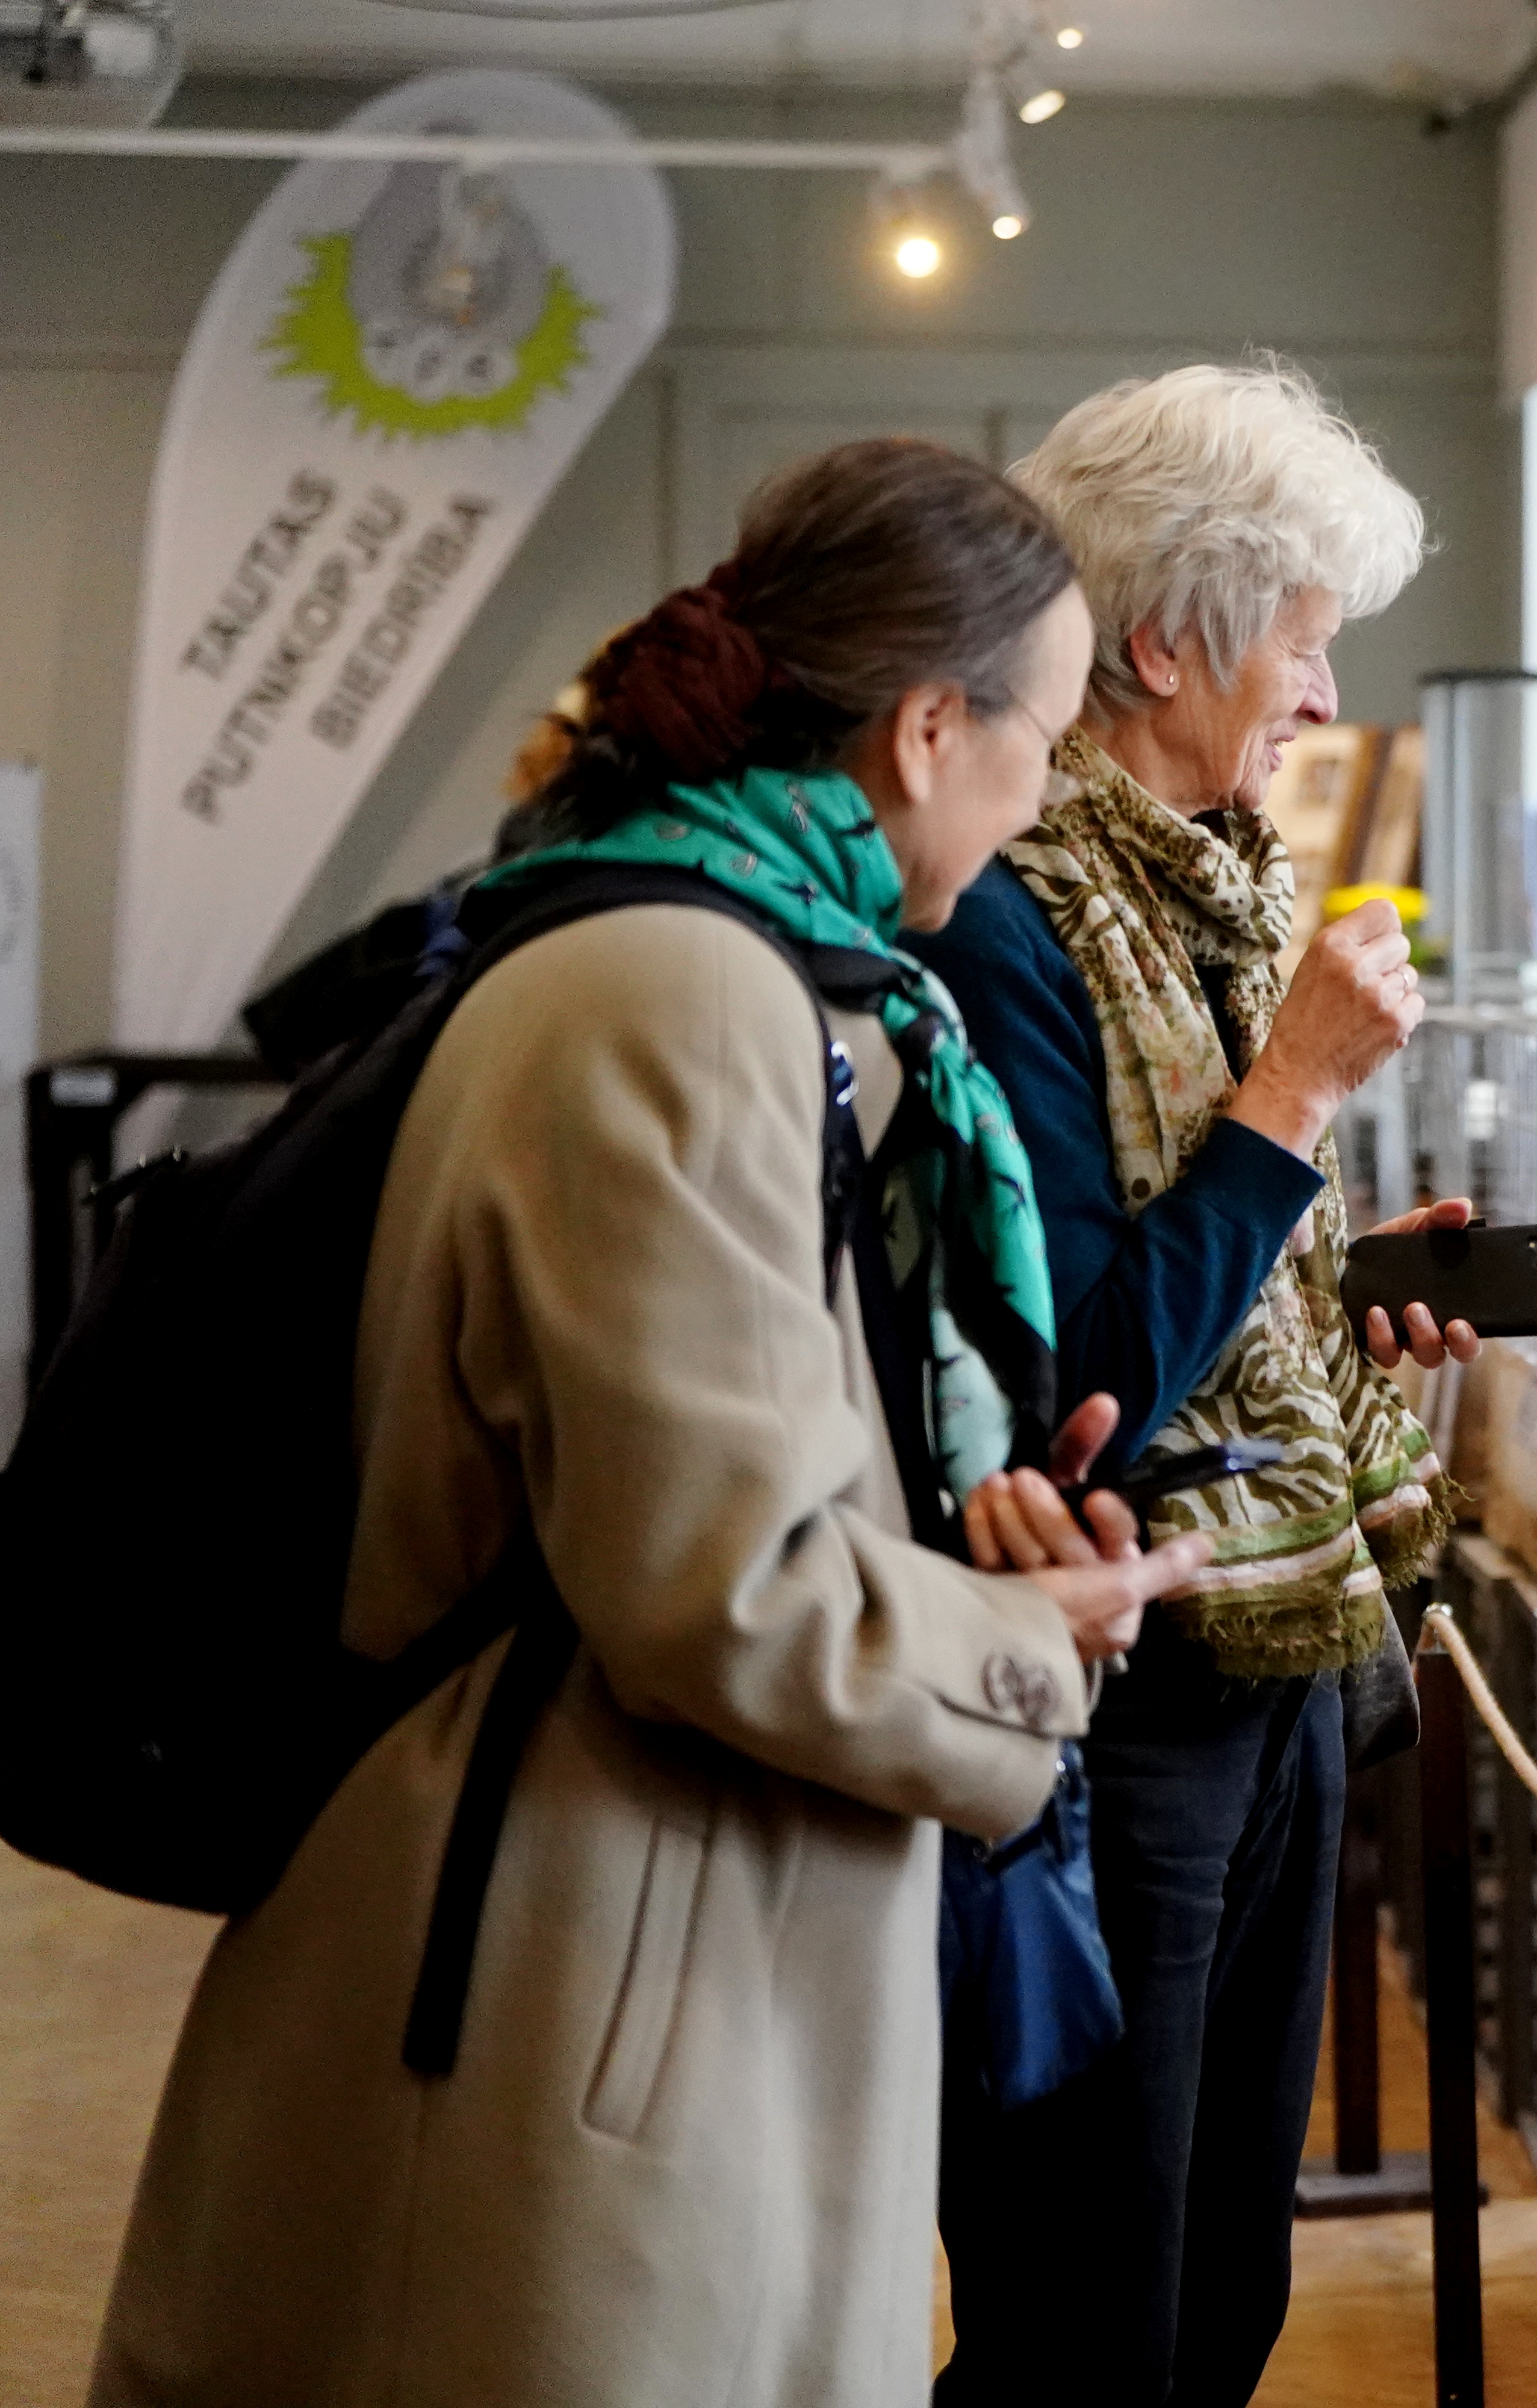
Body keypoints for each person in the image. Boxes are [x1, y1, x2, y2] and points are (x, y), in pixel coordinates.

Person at [92, 438, 1211, 2408]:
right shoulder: (681, 993)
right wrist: (1031, 1647)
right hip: (577, 1971)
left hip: (617, 1924)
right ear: (933, 727)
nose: (1046, 799)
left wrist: (958, 1550)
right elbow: (723, 1591)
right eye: (1045, 738)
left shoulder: (702, 955)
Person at [908, 362, 1474, 2408]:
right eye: (1305, 640)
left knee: (1224, 2296)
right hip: (1119, 1697)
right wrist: (1298, 1098)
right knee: (1092, 2318)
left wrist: (1350, 1283)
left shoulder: (1219, 886)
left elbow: (1224, 1269)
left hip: (1284, 1663)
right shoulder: (1016, 927)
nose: (1324, 696)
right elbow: (1078, 1378)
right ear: (1165, 643)